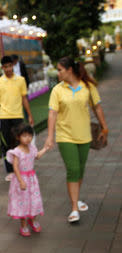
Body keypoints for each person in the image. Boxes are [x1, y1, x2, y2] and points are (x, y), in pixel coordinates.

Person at [44, 56, 108, 223]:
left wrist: (104, 127)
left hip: (85, 136)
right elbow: (52, 113)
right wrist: (50, 137)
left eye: (60, 70)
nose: (57, 73)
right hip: (65, 137)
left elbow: (97, 107)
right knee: (73, 169)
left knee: (80, 169)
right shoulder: (57, 89)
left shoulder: (88, 87)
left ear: (69, 70)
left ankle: (76, 198)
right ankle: (74, 208)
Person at [0, 55, 34, 182]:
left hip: (18, 116)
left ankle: (21, 167)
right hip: (4, 117)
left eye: (10, 66)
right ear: (2, 68)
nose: (8, 69)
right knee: (6, 144)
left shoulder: (20, 80)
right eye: (6, 67)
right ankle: (10, 170)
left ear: (13, 66)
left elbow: (24, 99)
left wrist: (30, 115)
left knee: (20, 143)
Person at [6, 123, 47, 236]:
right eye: (24, 136)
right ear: (18, 137)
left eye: (30, 135)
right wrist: (21, 181)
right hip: (21, 180)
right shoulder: (17, 151)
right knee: (22, 202)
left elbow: (37, 156)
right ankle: (23, 224)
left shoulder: (32, 148)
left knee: (34, 199)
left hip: (32, 179)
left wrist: (45, 148)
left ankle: (33, 220)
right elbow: (15, 167)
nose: (28, 138)